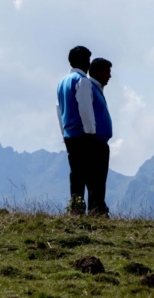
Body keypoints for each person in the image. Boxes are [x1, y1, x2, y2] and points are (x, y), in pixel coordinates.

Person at [57, 46, 98, 215]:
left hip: (69, 134)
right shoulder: (82, 81)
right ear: (83, 61)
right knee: (90, 175)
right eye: (88, 60)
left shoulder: (62, 82)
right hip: (82, 134)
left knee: (76, 174)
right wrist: (91, 131)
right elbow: (85, 108)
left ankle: (75, 207)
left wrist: (63, 133)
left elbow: (59, 110)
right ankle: (91, 209)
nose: (89, 64)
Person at [85, 58, 114, 216]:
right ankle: (98, 211)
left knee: (100, 179)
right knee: (96, 179)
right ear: (98, 72)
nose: (109, 76)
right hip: (95, 142)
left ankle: (97, 210)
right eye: (107, 72)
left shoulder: (98, 89)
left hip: (101, 142)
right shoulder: (90, 88)